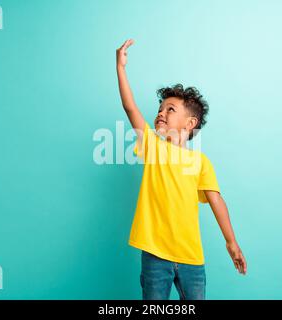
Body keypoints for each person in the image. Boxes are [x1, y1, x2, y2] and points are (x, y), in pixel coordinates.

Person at [116, 39, 247, 300]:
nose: (161, 113)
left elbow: (217, 201)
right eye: (160, 109)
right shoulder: (152, 145)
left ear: (190, 123)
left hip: (191, 258)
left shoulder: (201, 162)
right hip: (155, 255)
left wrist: (231, 242)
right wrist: (120, 67)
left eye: (170, 109)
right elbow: (130, 107)